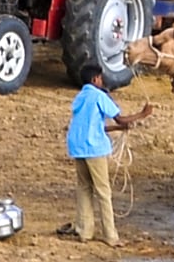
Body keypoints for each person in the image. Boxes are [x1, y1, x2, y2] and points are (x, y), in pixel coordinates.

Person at [62, 64, 153, 245]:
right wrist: (142, 114)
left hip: (78, 146)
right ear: (96, 79)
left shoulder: (80, 97)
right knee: (103, 191)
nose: (102, 81)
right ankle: (110, 236)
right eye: (101, 78)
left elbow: (96, 125)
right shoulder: (99, 96)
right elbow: (119, 117)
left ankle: (84, 231)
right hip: (93, 148)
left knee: (84, 188)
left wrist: (118, 128)